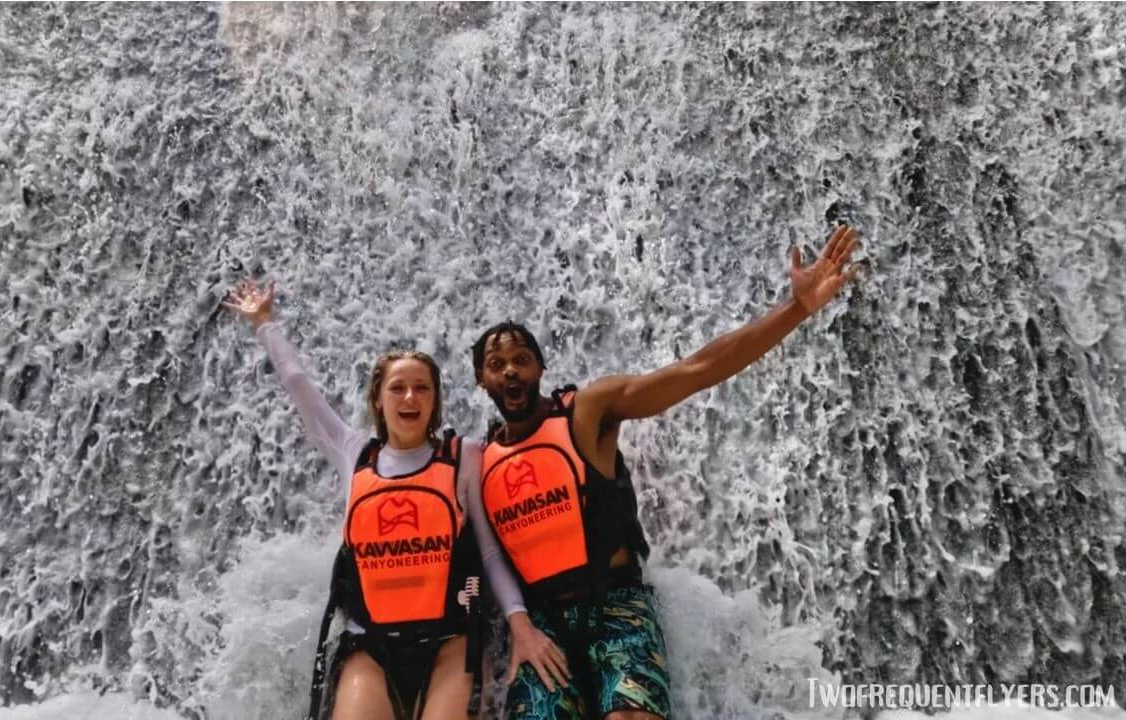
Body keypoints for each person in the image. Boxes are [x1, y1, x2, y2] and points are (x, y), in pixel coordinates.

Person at [472, 225, 862, 719]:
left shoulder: (587, 412)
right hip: (542, 627)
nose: (510, 371)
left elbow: (695, 370)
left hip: (616, 606)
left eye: (521, 360)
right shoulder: (475, 460)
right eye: (497, 364)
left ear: (541, 368)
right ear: (480, 379)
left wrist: (796, 308)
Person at [223, 280, 570, 720]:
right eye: (397, 388)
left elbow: (487, 549)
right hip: (370, 644)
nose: (410, 397)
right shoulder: (352, 452)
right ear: (378, 400)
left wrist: (520, 623)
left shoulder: (463, 457)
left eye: (422, 388)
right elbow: (296, 383)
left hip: (450, 643)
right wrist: (264, 322)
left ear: (435, 401)